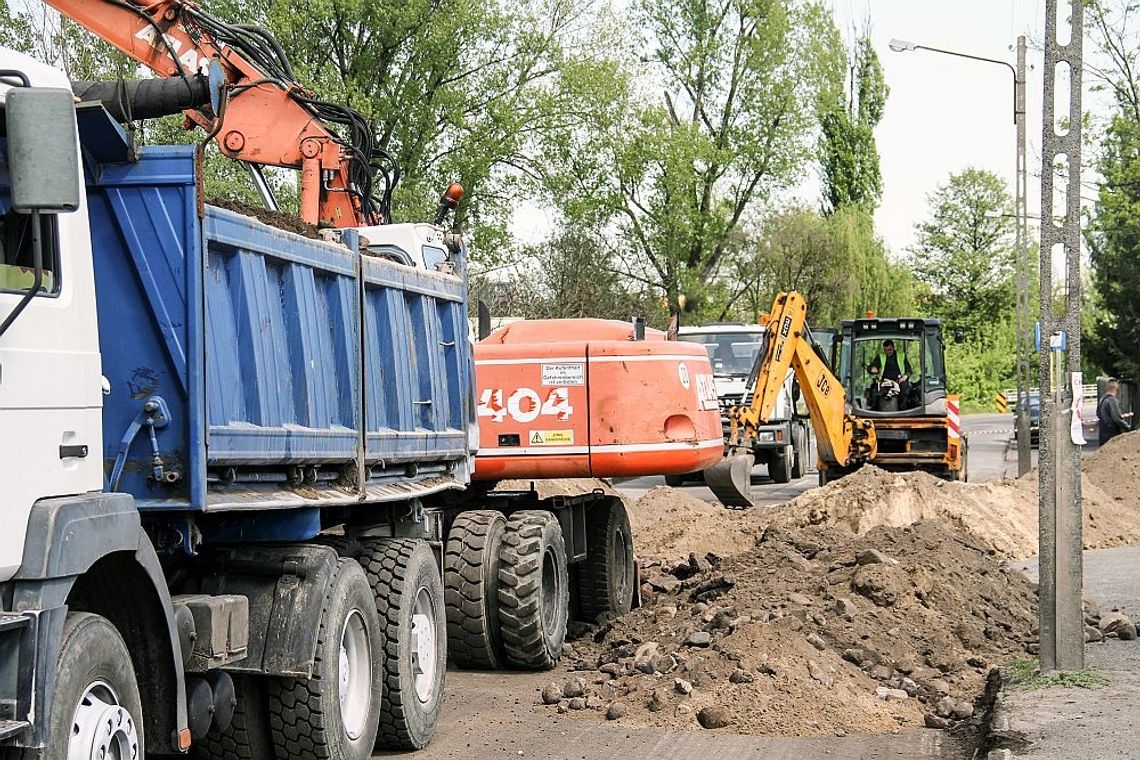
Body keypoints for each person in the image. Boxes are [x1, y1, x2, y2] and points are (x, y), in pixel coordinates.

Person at [1097, 379, 1130, 445]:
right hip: (1112, 434)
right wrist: (1128, 427)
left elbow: (1098, 413)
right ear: (1115, 388)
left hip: (1102, 433)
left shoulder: (1102, 399)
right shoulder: (1112, 400)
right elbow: (1117, 419)